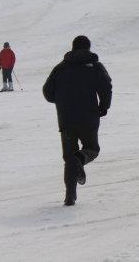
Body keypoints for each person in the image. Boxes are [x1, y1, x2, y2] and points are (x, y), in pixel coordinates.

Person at [43, 36, 113, 206]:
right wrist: (104, 106)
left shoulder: (60, 68)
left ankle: (70, 196)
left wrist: (62, 101)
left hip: (66, 118)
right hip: (88, 117)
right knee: (90, 150)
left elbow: (47, 92)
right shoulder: (95, 66)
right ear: (88, 48)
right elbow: (106, 86)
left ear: (73, 48)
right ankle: (80, 160)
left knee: (69, 157)